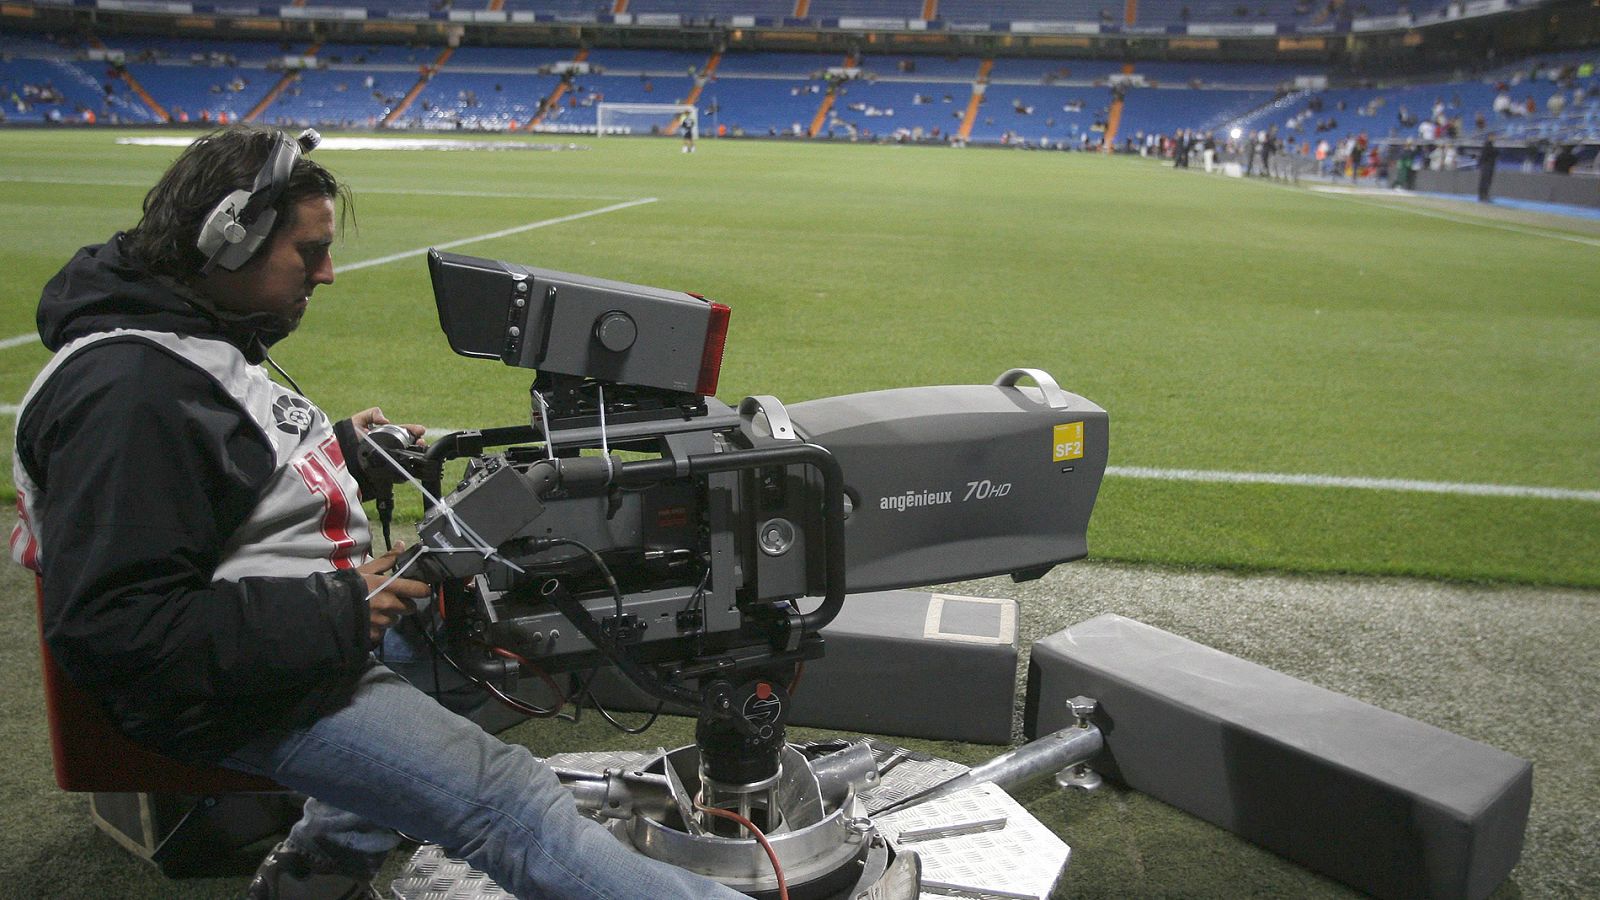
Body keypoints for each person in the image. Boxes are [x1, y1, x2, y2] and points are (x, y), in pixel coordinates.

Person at [11, 126, 744, 900]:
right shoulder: (131, 395)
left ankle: (315, 875)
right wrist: (340, 609)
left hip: (288, 640)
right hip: (233, 693)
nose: (326, 273)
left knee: (516, 637)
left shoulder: (187, 341)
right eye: (308, 250)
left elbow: (208, 481)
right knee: (509, 804)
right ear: (228, 242)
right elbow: (120, 630)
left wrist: (346, 452)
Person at [1478, 137, 1498, 202]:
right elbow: (1486, 155)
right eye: (1493, 137)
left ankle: (1483, 196)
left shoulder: (1489, 146)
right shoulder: (1488, 146)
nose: (1494, 138)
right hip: (1487, 166)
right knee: (1485, 181)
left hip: (1487, 166)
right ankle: (1483, 196)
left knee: (1486, 181)